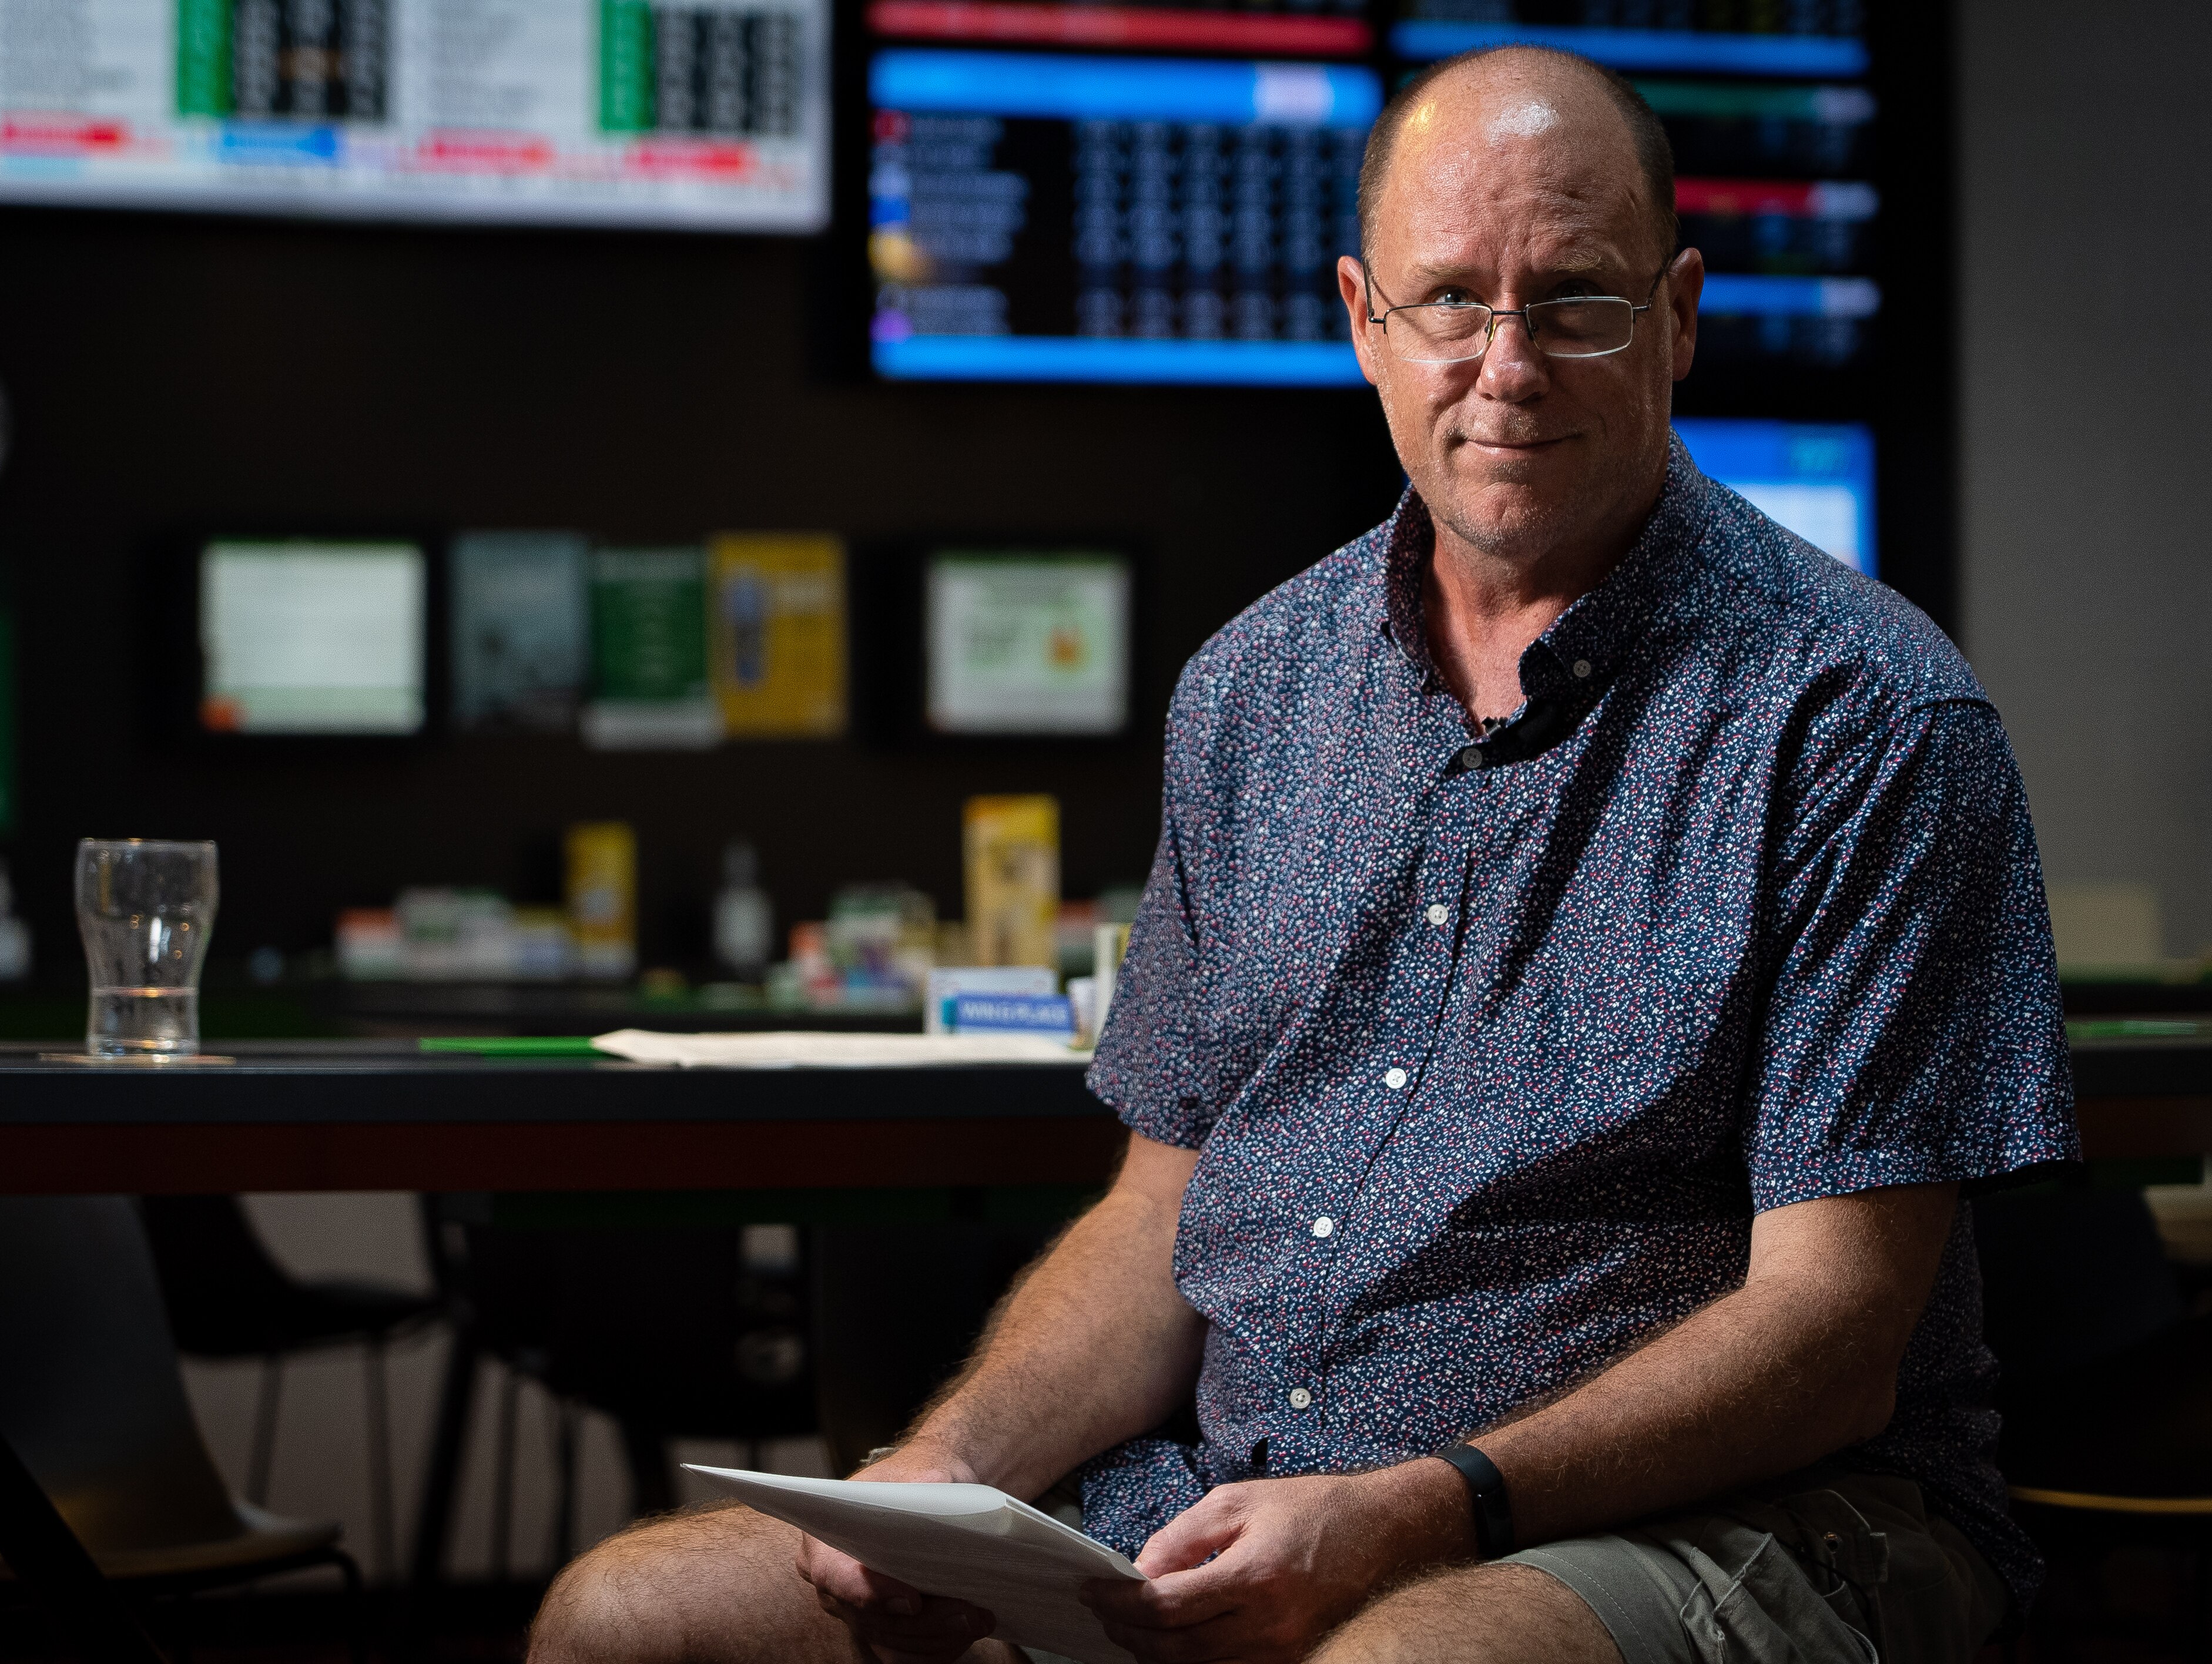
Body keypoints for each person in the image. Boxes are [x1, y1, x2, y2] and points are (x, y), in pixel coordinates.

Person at [529, 43, 2076, 1664]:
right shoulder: (1257, 692)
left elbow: (1834, 1337)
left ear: (1679, 317)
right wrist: (954, 1465)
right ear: (1362, 322)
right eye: (1449, 302)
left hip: (1735, 1519)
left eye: (1577, 301)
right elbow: (1162, 1214)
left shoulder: (1869, 717)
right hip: (1233, 1496)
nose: (1508, 365)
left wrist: (1420, 1506)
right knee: (633, 1617)